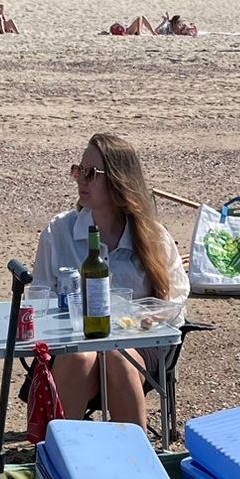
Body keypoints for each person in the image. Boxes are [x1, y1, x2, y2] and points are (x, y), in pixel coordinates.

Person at [33, 134, 182, 426]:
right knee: (81, 357)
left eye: (91, 173)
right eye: (78, 170)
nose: (81, 180)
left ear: (118, 180)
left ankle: (134, 463)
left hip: (137, 341)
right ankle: (58, 459)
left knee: (117, 357)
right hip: (72, 343)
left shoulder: (153, 236)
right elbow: (39, 296)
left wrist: (150, 316)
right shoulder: (59, 232)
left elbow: (176, 300)